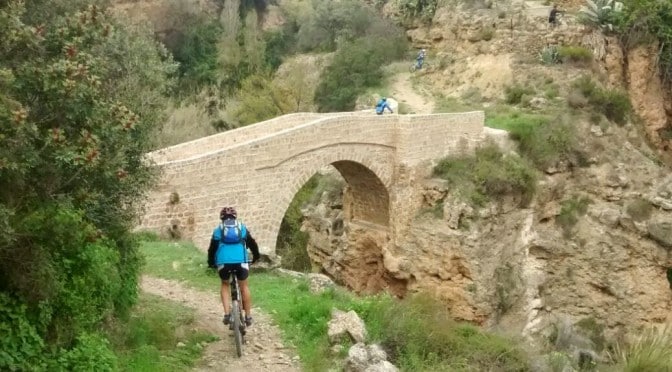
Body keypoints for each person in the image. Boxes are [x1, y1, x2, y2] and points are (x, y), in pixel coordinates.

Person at [207, 206, 260, 327]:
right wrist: (256, 256)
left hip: (224, 262)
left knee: (225, 284)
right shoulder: (242, 227)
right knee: (244, 286)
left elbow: (212, 249)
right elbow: (252, 243)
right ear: (235, 217)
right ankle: (248, 316)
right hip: (241, 261)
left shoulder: (218, 230)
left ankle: (226, 314)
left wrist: (210, 263)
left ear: (222, 219)